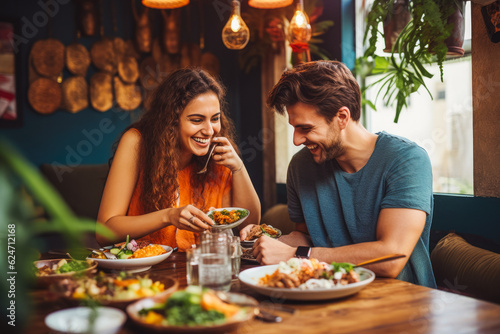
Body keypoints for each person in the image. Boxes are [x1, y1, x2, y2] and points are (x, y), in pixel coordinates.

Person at [241, 60, 436, 288]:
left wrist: (297, 255)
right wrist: (266, 242)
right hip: (327, 295)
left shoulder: (406, 160)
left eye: (306, 128)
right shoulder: (300, 166)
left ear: (342, 117)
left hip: (404, 305)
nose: (296, 140)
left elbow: (390, 258)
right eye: (294, 128)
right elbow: (304, 236)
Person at [97, 68, 261, 251]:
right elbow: (104, 232)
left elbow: (250, 224)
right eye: (197, 120)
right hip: (144, 269)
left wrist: (238, 167)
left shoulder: (218, 153)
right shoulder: (136, 143)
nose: (209, 130)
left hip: (199, 268)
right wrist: (168, 216)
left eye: (215, 118)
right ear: (172, 121)